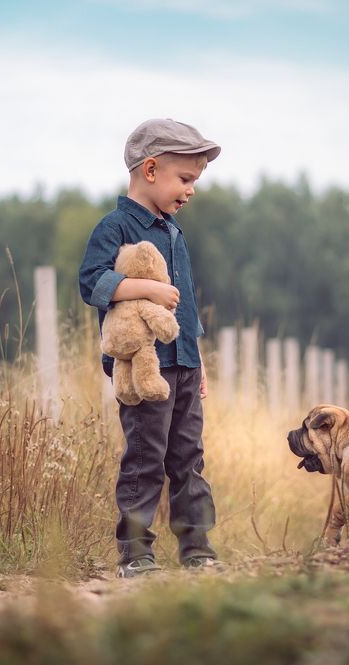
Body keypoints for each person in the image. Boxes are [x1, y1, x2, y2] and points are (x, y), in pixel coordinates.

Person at [78, 118, 223, 577]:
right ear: (152, 169)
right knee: (146, 458)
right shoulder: (115, 226)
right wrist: (144, 288)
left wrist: (198, 360)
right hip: (143, 370)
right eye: (186, 179)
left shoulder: (175, 232)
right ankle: (136, 553)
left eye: (195, 182)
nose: (191, 191)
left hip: (181, 364)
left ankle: (197, 548)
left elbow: (188, 303)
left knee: (188, 457)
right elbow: (92, 282)